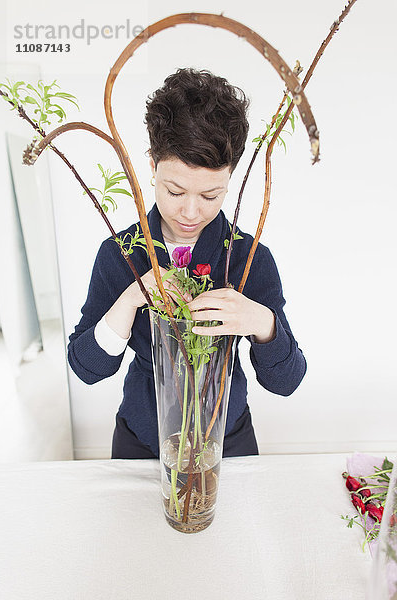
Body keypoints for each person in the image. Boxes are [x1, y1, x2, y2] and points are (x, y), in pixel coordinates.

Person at [67, 67, 307, 459]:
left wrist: (262, 324)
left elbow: (287, 382)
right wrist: (128, 302)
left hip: (227, 439)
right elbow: (86, 369)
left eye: (211, 196)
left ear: (230, 179)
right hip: (141, 439)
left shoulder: (249, 258)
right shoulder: (121, 253)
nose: (191, 212)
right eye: (175, 190)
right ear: (151, 164)